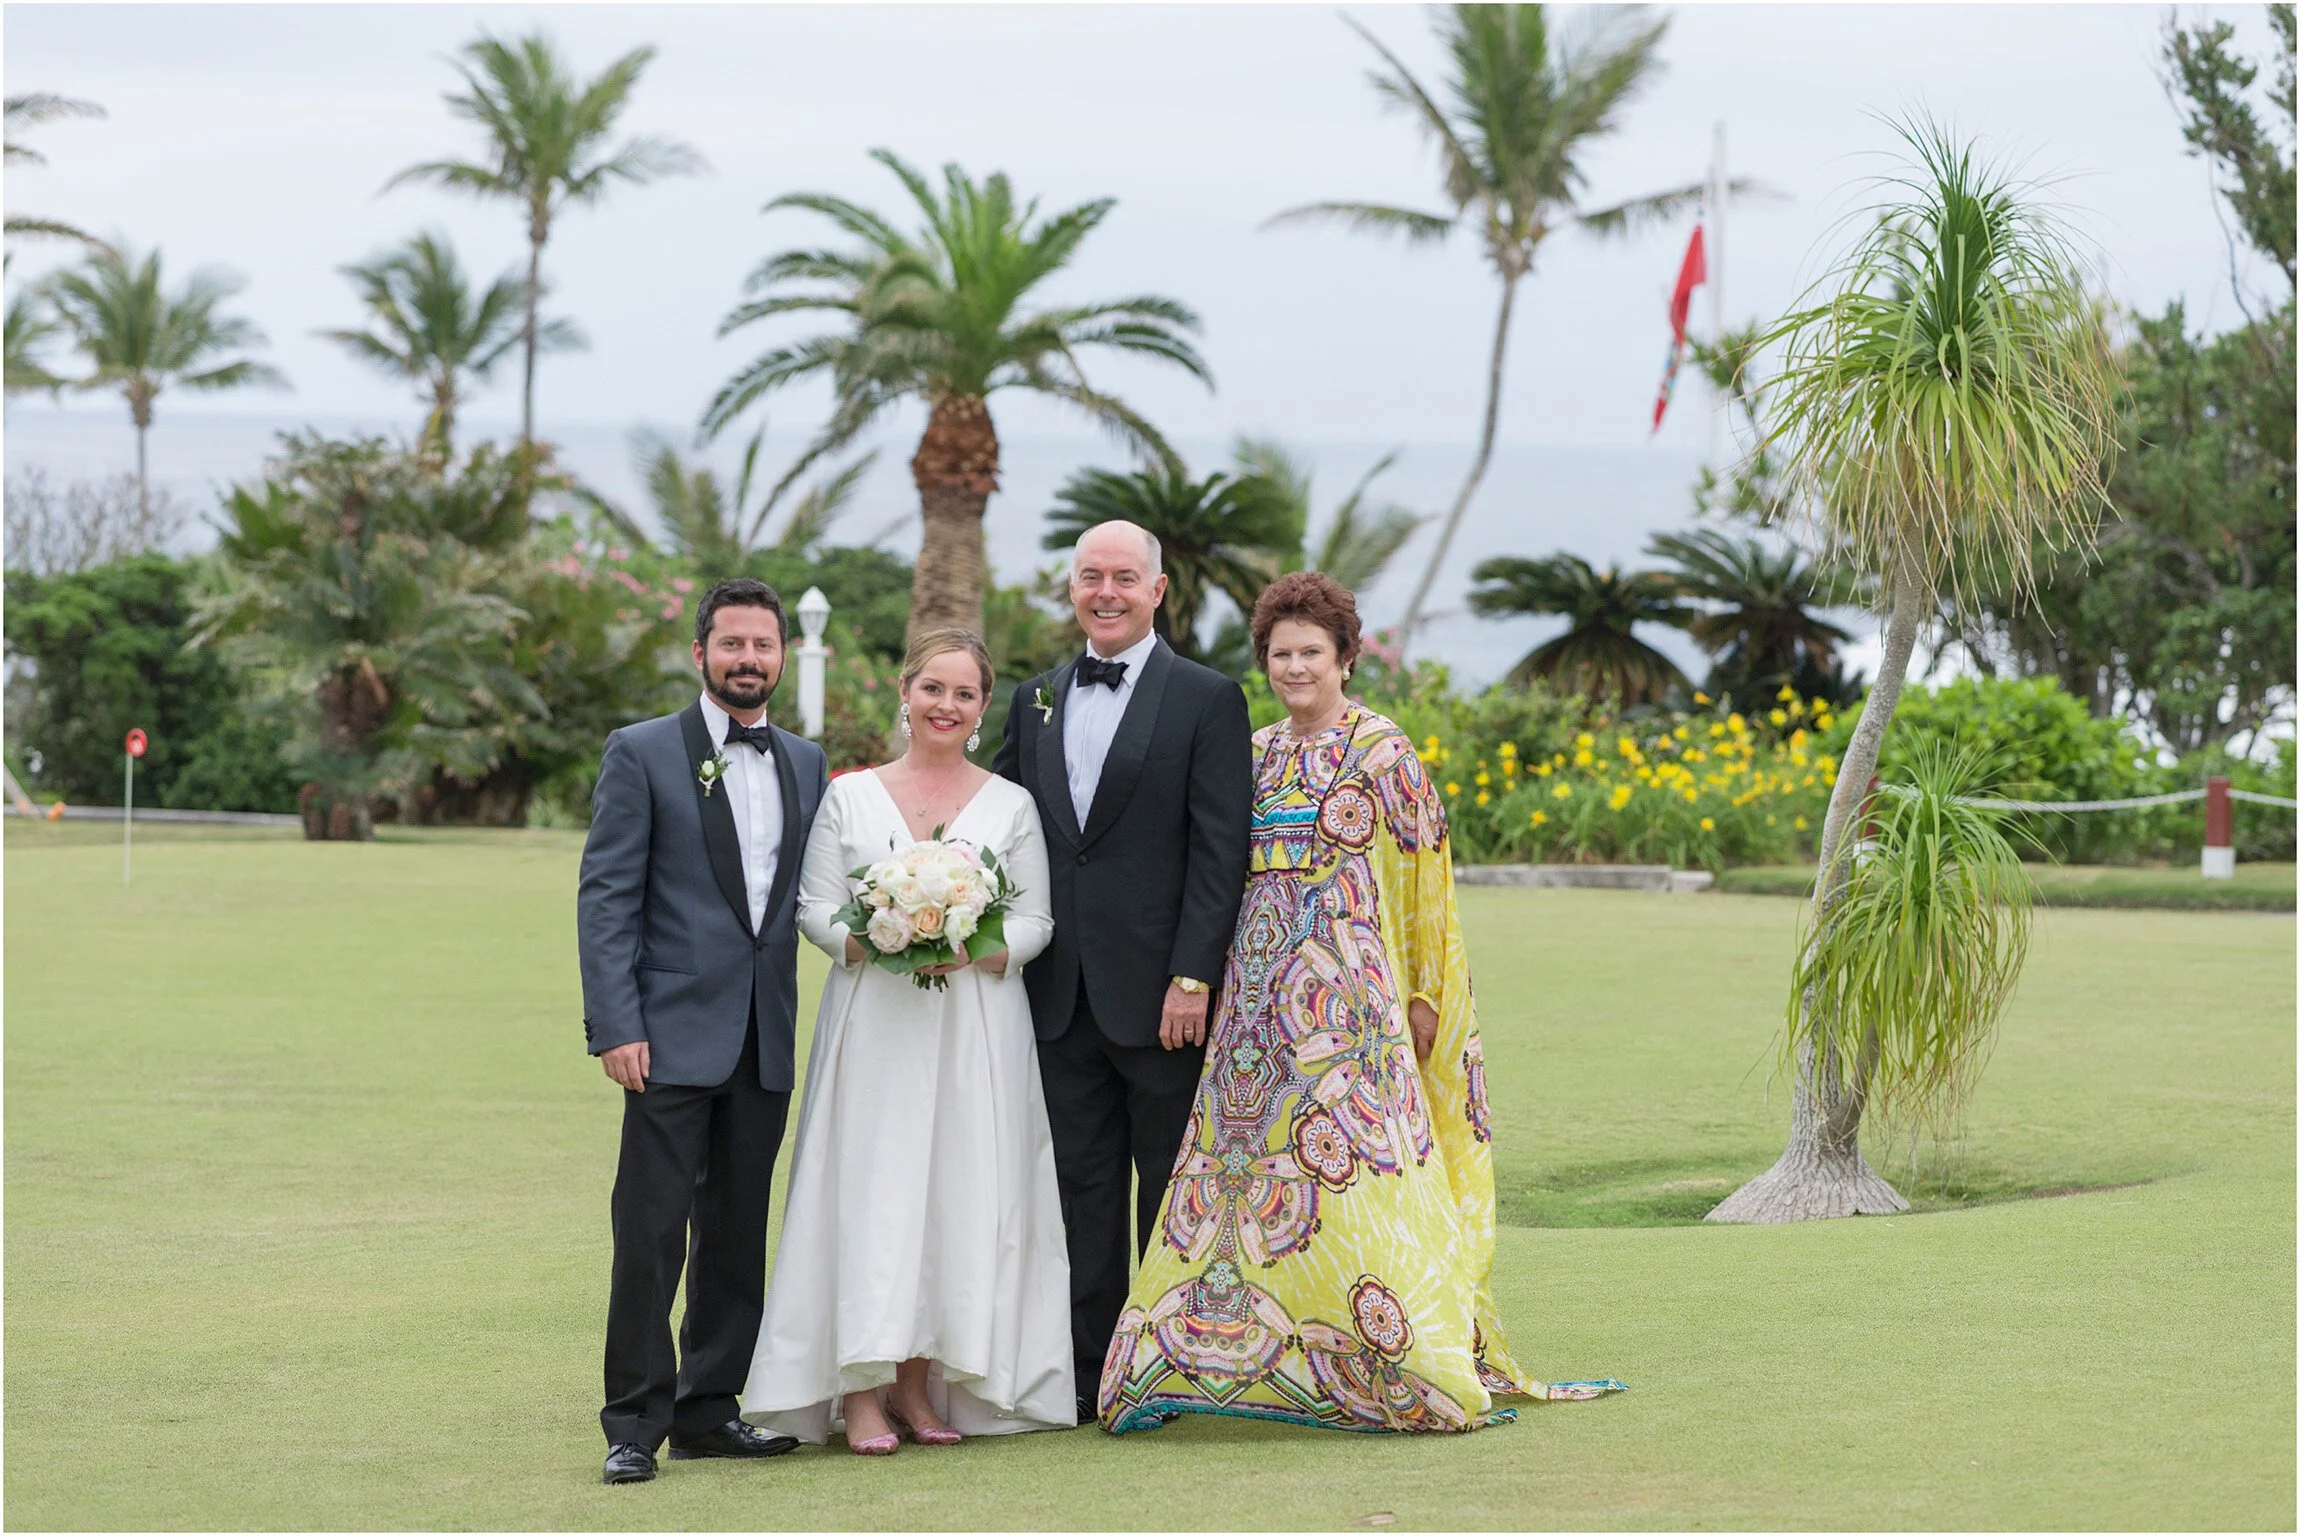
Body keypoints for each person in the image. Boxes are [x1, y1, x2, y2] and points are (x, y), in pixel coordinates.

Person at [1099, 571, 1624, 1434]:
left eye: (1312, 653)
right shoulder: (1256, 751)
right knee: (1256, 1188)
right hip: (1254, 1016)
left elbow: (1426, 880)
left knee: (1358, 1181)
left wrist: (1423, 994)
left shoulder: (1385, 752)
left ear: (1345, 657)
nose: (1295, 668)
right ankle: (1218, 1355)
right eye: (1280, 654)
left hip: (1353, 1015)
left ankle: (1397, 1356)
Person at [743, 629, 1074, 1452]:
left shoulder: (1011, 803)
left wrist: (981, 947)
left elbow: (1035, 918)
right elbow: (816, 909)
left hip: (975, 1026)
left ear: (981, 708)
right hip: (876, 1024)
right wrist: (879, 933)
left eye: (964, 695)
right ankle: (860, 1389)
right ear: (907, 691)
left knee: (955, 1192)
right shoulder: (851, 797)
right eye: (934, 688)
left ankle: (922, 1389)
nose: (947, 706)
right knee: (873, 1188)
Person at [992, 520, 1253, 1422]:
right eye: (1089, 577)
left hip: (1161, 997)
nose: (1105, 592)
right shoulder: (1033, 700)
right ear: (1071, 589)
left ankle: (1168, 1365)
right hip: (1056, 995)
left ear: (1158, 589)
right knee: (1080, 1187)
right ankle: (1089, 1368)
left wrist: (1193, 976)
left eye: (1124, 578)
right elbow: (990, 817)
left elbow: (1221, 848)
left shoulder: (1207, 698)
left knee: (1169, 1185)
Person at [577, 577, 830, 1484]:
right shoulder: (641, 753)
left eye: (764, 646)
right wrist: (615, 1022)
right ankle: (633, 1425)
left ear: (781, 655)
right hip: (666, 1035)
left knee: (735, 1230)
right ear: (700, 653)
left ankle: (710, 1408)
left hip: (764, 1035)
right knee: (650, 1233)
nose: (749, 659)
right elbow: (606, 897)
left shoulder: (806, 761)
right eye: (732, 645)